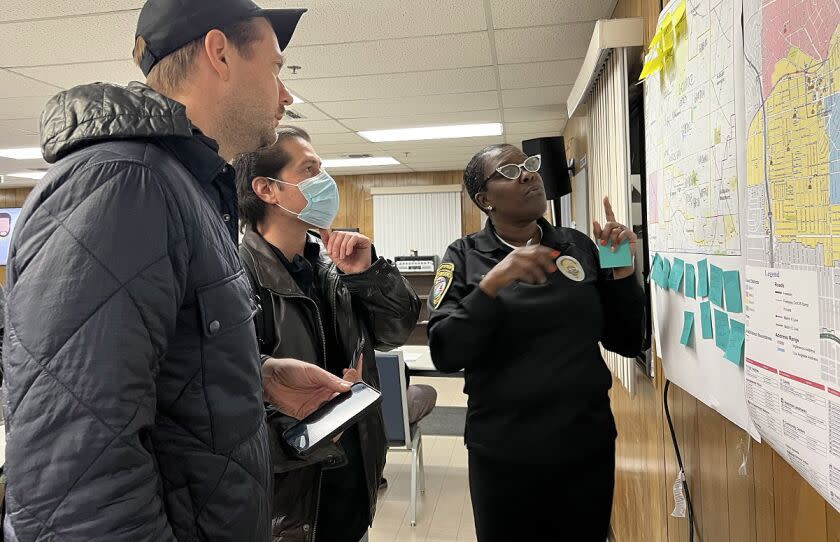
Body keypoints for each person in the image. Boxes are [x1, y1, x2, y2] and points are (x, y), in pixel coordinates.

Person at [1, 2, 354, 540]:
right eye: (277, 69)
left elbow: (148, 368)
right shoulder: (121, 183)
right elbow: (76, 466)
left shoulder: (179, 186)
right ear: (220, 53)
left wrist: (253, 376)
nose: (286, 95)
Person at [427, 144, 645, 542]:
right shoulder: (464, 257)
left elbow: (626, 339)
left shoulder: (576, 246)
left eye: (528, 165)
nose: (527, 174)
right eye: (508, 172)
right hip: (504, 452)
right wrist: (492, 284)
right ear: (484, 200)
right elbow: (444, 350)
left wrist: (620, 269)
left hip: (584, 445)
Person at [233, 126, 421, 542]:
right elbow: (229, 405)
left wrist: (370, 274)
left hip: (354, 480)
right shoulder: (235, 277)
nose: (325, 182)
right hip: (288, 505)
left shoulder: (334, 265)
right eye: (310, 169)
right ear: (266, 189)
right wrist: (313, 432)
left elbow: (395, 332)